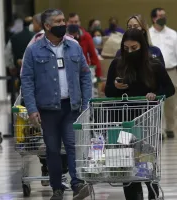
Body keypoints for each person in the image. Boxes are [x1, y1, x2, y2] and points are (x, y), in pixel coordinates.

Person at [21, 9, 92, 200]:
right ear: (47, 26)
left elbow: (85, 75)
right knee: (52, 150)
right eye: (58, 21)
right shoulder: (33, 50)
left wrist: (86, 103)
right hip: (47, 110)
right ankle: (57, 188)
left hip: (71, 107)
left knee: (72, 145)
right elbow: (26, 80)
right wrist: (32, 109)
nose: (63, 24)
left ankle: (77, 184)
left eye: (63, 20)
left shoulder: (74, 46)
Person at [105, 29, 175, 200]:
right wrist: (115, 87)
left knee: (145, 161)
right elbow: (108, 91)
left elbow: (169, 88)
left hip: (146, 122)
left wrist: (156, 94)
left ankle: (152, 190)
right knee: (126, 163)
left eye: (134, 48)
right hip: (123, 122)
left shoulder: (154, 65)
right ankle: (133, 196)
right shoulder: (117, 64)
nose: (130, 52)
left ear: (142, 46)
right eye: (126, 48)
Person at [149, 8, 177, 138]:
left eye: (164, 15)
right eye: (160, 16)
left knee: (171, 103)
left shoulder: (173, 34)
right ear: (154, 18)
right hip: (154, 72)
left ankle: (170, 128)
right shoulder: (148, 34)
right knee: (156, 102)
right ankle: (158, 130)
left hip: (171, 71)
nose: (163, 18)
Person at [67, 13, 102, 78]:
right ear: (67, 23)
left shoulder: (86, 36)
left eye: (76, 22)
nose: (74, 24)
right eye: (71, 22)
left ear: (79, 23)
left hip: (82, 71)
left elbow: (93, 56)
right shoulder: (62, 37)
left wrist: (98, 76)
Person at [5, 17, 35, 92]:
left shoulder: (14, 38)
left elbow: (8, 53)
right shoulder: (37, 36)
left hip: (20, 69)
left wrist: (11, 66)